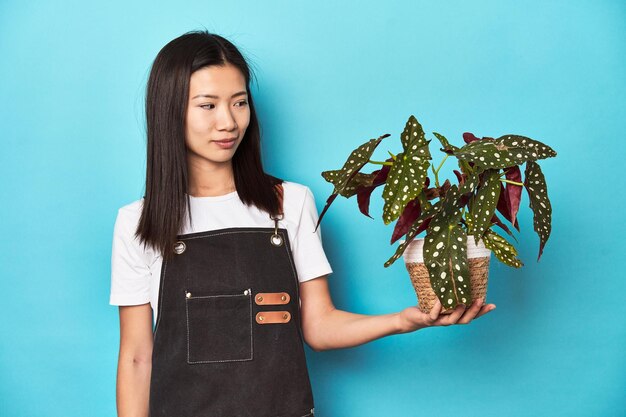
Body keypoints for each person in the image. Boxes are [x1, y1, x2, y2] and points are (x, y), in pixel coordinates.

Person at [109, 29, 496, 417]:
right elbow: (137, 359)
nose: (228, 122)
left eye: (239, 103)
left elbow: (318, 325)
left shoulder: (290, 203)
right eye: (207, 106)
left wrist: (401, 321)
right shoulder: (138, 223)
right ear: (169, 110)